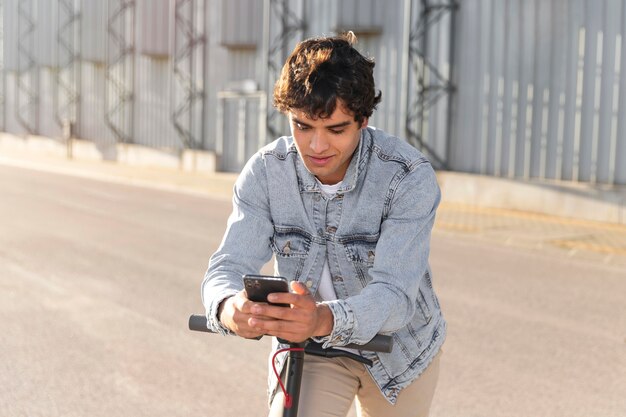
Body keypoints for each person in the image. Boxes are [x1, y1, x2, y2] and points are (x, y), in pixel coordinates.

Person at [201, 32, 446, 417]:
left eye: (335, 130)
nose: (316, 147)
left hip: (399, 354)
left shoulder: (407, 176)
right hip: (311, 350)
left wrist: (321, 317)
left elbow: (396, 295)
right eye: (302, 126)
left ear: (362, 120)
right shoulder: (265, 173)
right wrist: (230, 309)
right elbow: (227, 267)